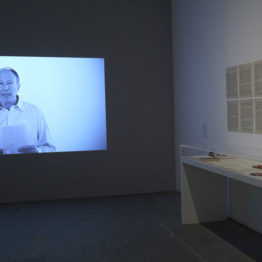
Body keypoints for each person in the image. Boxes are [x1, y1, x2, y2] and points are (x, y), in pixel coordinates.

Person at [0, 67, 55, 154]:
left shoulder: (34, 112)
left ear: (18, 86)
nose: (5, 87)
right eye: (1, 83)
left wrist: (37, 151)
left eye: (9, 83)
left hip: (29, 166)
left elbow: (51, 149)